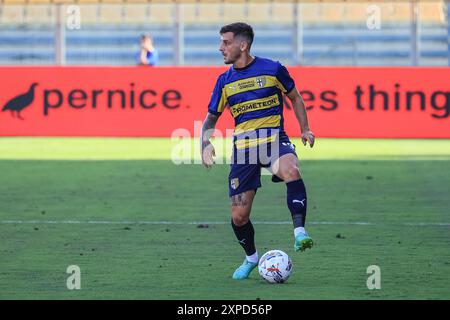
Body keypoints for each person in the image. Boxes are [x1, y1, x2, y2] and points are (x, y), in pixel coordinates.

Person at [200, 22, 315, 280]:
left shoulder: (273, 69)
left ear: (243, 45)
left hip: (274, 140)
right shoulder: (225, 81)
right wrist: (205, 143)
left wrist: (305, 128)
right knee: (239, 216)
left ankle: (300, 234)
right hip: (244, 150)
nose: (221, 48)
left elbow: (295, 97)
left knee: (291, 170)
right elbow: (210, 119)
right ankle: (251, 258)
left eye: (226, 43)